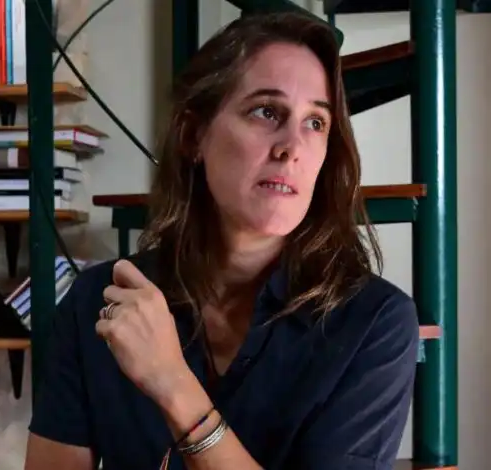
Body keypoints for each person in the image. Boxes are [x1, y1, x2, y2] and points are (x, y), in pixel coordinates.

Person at [24, 11, 420, 470]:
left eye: (316, 122)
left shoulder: (374, 324)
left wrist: (172, 383)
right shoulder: (98, 302)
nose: (292, 147)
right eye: (266, 111)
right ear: (194, 135)